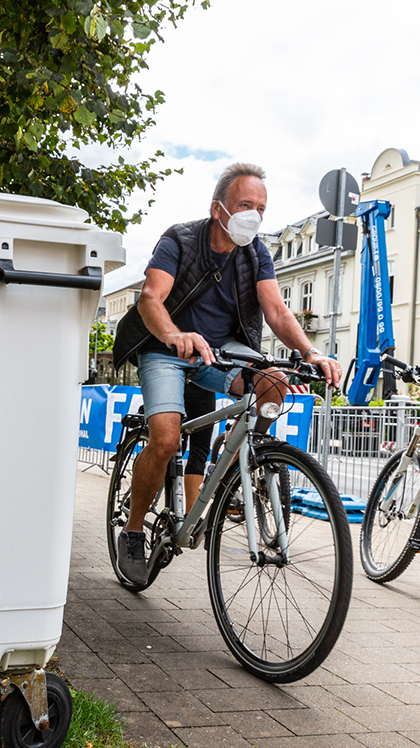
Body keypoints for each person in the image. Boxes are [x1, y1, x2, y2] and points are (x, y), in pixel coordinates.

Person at [110, 163, 341, 584]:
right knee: (165, 438)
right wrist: (175, 334)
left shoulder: (256, 252)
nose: (254, 215)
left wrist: (310, 352)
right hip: (167, 349)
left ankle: (229, 472)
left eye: (261, 207)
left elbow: (275, 309)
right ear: (219, 209)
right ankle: (134, 530)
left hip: (221, 351)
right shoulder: (179, 238)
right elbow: (150, 298)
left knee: (273, 382)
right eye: (245, 205)